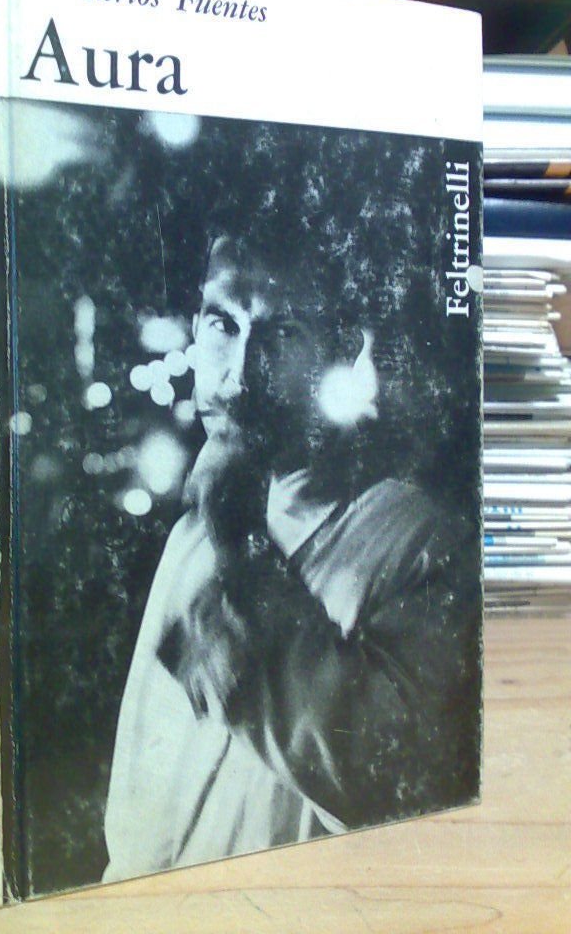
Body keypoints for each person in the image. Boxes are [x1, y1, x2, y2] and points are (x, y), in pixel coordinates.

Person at [103, 225, 481, 883]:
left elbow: (384, 787)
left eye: (281, 335)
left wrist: (241, 550)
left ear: (344, 352)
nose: (238, 376)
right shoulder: (194, 533)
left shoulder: (423, 544)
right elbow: (140, 827)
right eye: (223, 324)